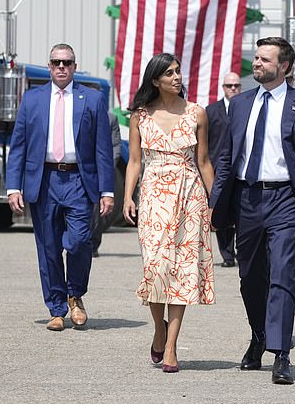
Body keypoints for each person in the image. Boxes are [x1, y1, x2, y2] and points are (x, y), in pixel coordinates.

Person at [209, 37, 295, 385]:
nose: (258, 64)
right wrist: (213, 205)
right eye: (256, 57)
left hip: (286, 201)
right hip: (247, 199)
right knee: (250, 279)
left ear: (285, 67)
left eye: (265, 59)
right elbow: (224, 160)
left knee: (283, 276)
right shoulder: (239, 105)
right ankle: (259, 336)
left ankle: (281, 354)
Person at [6, 43, 115, 331]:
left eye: (67, 62)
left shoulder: (91, 99)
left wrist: (107, 191)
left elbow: (102, 149)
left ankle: (75, 295)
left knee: (79, 241)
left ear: (75, 67)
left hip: (79, 180)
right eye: (56, 62)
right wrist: (12, 187)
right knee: (49, 248)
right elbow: (18, 146)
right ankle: (56, 308)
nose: (61, 67)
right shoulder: (32, 100)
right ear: (49, 66)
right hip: (43, 180)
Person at [122, 53, 215, 373]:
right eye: (170, 73)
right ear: (155, 80)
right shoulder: (139, 116)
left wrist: (214, 202)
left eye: (178, 72)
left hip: (190, 196)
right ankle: (159, 330)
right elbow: (134, 161)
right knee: (156, 267)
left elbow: (203, 162)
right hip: (153, 196)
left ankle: (172, 346)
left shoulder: (197, 113)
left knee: (184, 271)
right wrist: (127, 197)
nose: (177, 77)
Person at [205, 71, 241, 267]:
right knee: (221, 213)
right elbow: (204, 143)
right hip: (217, 170)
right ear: (223, 88)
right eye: (229, 86)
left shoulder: (247, 108)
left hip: (240, 169)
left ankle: (242, 252)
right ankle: (228, 256)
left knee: (241, 214)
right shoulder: (211, 111)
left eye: (236, 85)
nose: (233, 89)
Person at [90, 112, 122, 257]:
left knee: (96, 210)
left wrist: (108, 169)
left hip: (101, 170)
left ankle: (92, 245)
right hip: (79, 169)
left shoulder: (110, 118)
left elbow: (116, 146)